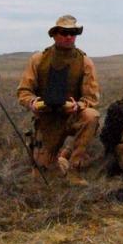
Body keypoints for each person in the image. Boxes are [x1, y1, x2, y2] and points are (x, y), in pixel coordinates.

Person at [17, 15, 101, 183]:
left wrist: (78, 105)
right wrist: (32, 103)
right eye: (64, 32)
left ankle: (75, 169)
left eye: (73, 33)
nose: (69, 37)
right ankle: (62, 158)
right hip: (47, 119)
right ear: (55, 35)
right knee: (43, 178)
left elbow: (91, 97)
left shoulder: (85, 62)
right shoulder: (38, 60)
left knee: (91, 116)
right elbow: (24, 91)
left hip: (71, 116)